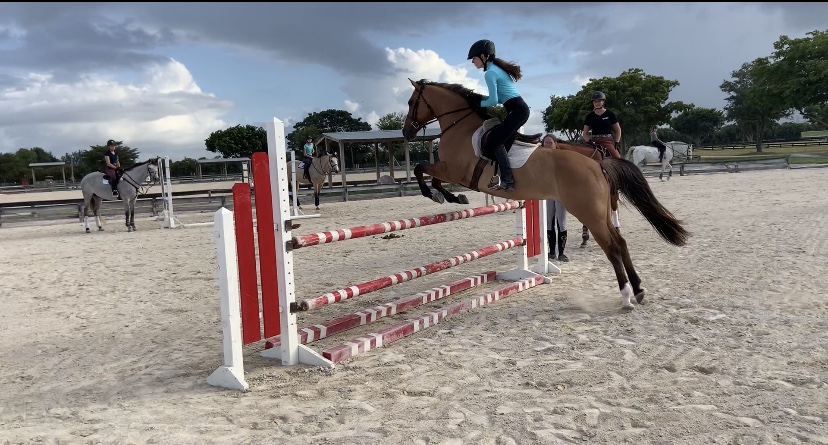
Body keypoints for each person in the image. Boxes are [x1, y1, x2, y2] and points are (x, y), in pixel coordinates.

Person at [467, 39, 529, 192]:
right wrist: (481, 98)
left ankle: (508, 181)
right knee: (502, 143)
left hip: (517, 111)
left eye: (473, 59)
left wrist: (479, 103)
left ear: (483, 56)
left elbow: (494, 101)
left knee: (494, 142)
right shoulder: (497, 69)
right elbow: (501, 98)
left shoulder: (490, 73)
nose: (472, 62)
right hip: (518, 109)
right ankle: (507, 175)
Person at [541, 134, 569, 262]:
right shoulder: (540, 159)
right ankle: (551, 251)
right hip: (547, 193)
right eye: (545, 143)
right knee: (548, 221)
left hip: (559, 193)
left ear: (555, 144)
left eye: (550, 142)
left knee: (561, 222)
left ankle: (561, 253)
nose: (547, 144)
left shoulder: (561, 158)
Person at [582, 91, 622, 159]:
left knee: (617, 158)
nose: (597, 103)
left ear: (603, 102)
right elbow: (585, 133)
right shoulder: (590, 116)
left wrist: (616, 141)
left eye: (599, 101)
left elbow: (618, 130)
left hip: (607, 141)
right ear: (593, 103)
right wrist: (590, 141)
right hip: (594, 142)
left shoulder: (610, 114)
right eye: (595, 101)